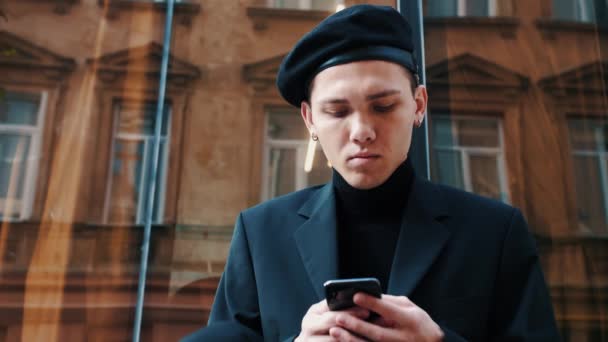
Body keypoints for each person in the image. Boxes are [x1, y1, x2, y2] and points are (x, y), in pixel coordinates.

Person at [183, 4, 559, 342]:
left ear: (418, 105)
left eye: (383, 106)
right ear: (310, 119)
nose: (362, 130)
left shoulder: (494, 233)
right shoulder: (261, 234)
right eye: (338, 111)